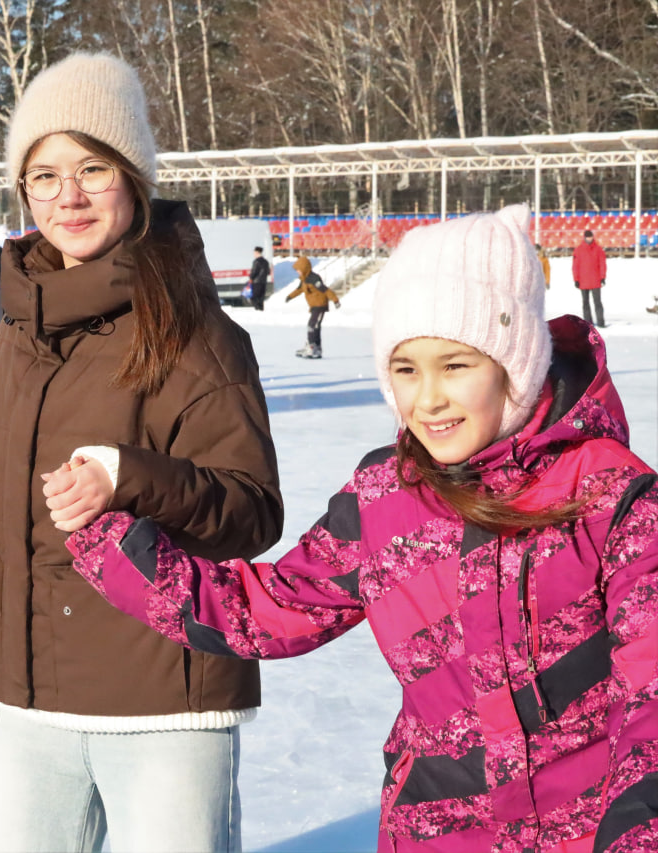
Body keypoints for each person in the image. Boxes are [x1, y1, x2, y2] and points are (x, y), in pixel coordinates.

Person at [68, 204, 658, 853]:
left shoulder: (610, 494)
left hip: (592, 829)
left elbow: (649, 697)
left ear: (513, 360)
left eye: (456, 365)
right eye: (406, 369)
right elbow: (266, 610)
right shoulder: (385, 497)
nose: (426, 399)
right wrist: (108, 538)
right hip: (438, 833)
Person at [0, 53, 284, 853]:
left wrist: (132, 477)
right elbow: (6, 488)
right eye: (44, 175)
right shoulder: (22, 332)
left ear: (134, 177)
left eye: (92, 168)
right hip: (30, 698)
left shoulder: (197, 335)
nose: (68, 195)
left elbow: (251, 511)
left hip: (163, 702)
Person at [284, 255, 339, 358]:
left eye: (298, 270)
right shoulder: (304, 279)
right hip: (314, 306)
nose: (297, 272)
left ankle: (312, 347)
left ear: (304, 268)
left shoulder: (314, 278)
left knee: (312, 325)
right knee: (315, 326)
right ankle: (316, 348)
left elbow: (325, 290)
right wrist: (290, 296)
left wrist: (335, 300)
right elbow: (299, 290)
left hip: (320, 305)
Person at [573, 228, 607, 327]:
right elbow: (575, 266)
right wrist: (576, 279)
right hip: (583, 281)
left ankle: (601, 322)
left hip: (595, 280)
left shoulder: (598, 249)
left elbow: (602, 264)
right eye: (587, 237)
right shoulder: (578, 250)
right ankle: (588, 323)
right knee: (585, 303)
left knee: (597, 302)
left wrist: (602, 277)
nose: (589, 238)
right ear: (584, 237)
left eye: (590, 236)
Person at [248, 245, 271, 310]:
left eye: (254, 253)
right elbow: (268, 272)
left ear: (257, 252)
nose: (254, 254)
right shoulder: (266, 261)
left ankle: (257, 309)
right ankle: (261, 310)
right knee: (261, 297)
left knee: (255, 297)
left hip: (256, 282)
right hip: (263, 281)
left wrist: (251, 278)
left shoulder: (256, 261)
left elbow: (254, 271)